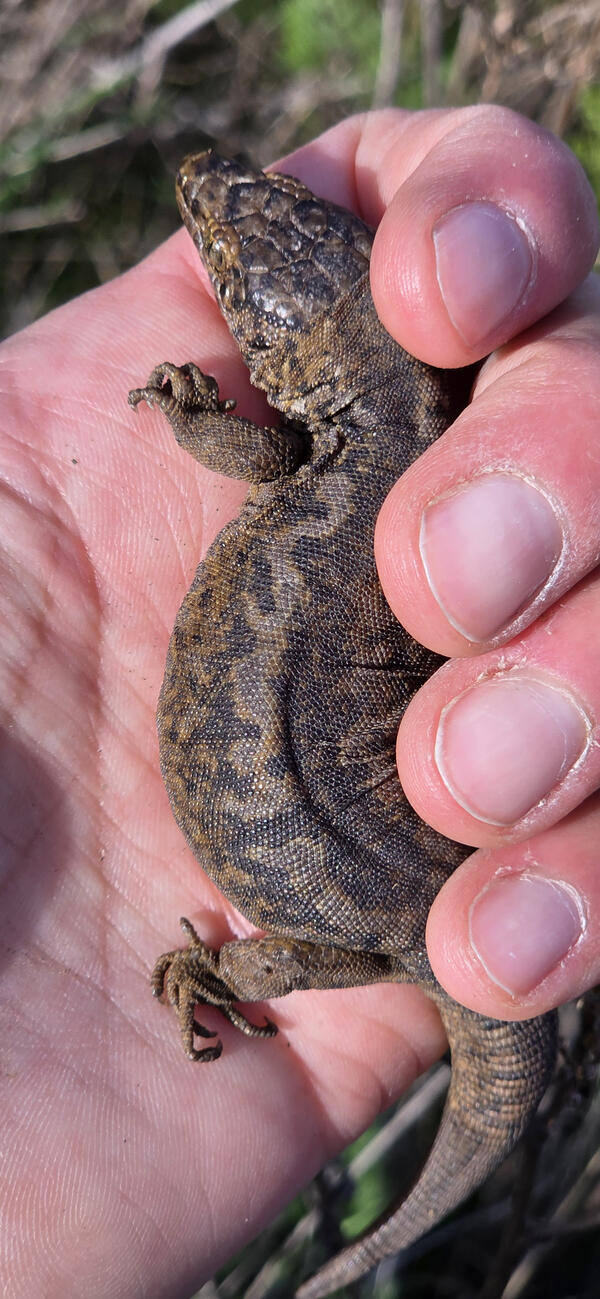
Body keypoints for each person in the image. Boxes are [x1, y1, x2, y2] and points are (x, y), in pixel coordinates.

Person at [1, 105, 598, 1298]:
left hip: (374, 914)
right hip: (359, 906)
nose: (214, 242)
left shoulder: (348, 461)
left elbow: (265, 458)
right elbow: (270, 460)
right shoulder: (371, 454)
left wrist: (191, 419)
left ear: (283, 361)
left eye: (227, 262)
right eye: (226, 258)